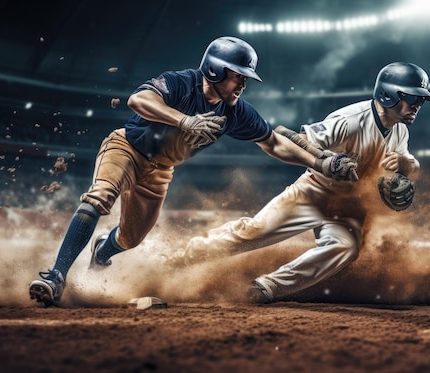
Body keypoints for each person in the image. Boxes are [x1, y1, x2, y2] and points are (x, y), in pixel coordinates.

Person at [29, 36, 358, 306]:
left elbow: (273, 143)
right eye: (237, 75)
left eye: (245, 77)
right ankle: (56, 276)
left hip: (160, 172)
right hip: (126, 148)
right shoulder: (180, 83)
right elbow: (138, 100)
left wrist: (320, 163)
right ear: (215, 71)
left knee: (131, 238)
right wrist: (183, 120)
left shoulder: (236, 112)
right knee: (99, 197)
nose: (243, 83)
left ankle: (104, 248)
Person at [173, 62, 430, 304]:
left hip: (347, 207)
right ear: (388, 94)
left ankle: (264, 288)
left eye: (421, 99)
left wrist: (406, 166)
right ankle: (183, 256)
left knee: (345, 247)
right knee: (253, 233)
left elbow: (409, 164)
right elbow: (294, 138)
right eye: (411, 97)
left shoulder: (400, 128)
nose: (417, 105)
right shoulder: (350, 121)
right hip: (313, 192)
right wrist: (326, 159)